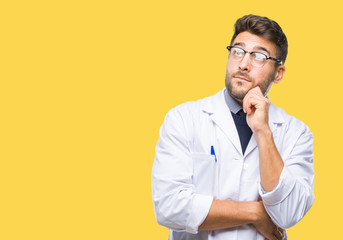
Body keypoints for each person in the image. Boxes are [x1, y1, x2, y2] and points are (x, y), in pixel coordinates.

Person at [151, 14, 314, 240]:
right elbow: (168, 207)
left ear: (278, 73)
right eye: (238, 51)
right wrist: (255, 213)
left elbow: (287, 214)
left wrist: (263, 133)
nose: (244, 64)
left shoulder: (296, 133)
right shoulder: (183, 118)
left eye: (259, 56)